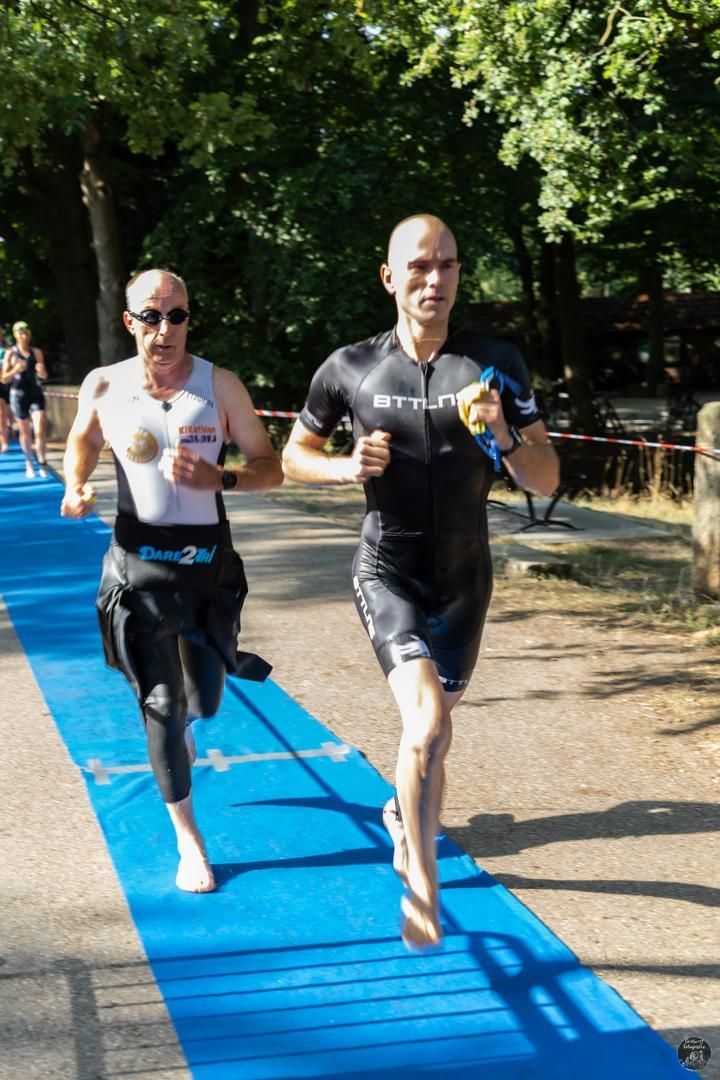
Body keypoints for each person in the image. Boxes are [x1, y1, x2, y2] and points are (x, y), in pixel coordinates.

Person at [282, 214, 560, 949]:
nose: (433, 280)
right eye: (418, 266)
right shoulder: (352, 368)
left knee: (433, 736)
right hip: (388, 568)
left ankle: (404, 816)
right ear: (389, 276)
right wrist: (346, 466)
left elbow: (546, 475)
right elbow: (292, 456)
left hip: (466, 578)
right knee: (427, 725)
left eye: (447, 266)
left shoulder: (495, 363)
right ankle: (422, 889)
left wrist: (502, 434)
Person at [61, 268, 283, 893]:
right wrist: (78, 486)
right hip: (139, 567)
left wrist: (225, 480)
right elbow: (81, 441)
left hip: (208, 568)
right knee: (163, 705)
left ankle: (189, 710)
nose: (165, 330)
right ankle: (191, 843)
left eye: (177, 315)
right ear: (129, 321)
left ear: (190, 317)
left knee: (204, 700)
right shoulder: (104, 384)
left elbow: (271, 468)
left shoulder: (221, 386)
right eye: (151, 317)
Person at [1, 320, 48, 475]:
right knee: (25, 431)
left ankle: (42, 462)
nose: (24, 336)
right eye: (20, 333)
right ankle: (29, 462)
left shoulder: (36, 352)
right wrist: (16, 369)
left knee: (40, 428)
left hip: (35, 393)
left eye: (26, 333)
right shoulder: (11, 353)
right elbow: (4, 378)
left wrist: (41, 372)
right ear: (15, 335)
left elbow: (44, 375)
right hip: (18, 395)